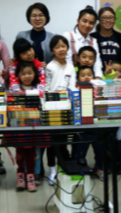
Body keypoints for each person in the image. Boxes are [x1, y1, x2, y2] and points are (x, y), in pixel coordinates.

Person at [44, 34, 75, 185]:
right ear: (52, 51)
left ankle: (63, 168)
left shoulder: (70, 67)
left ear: (68, 48)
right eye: (57, 47)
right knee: (51, 142)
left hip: (66, 108)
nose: (61, 49)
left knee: (63, 141)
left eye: (63, 46)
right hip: (52, 109)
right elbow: (47, 87)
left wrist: (67, 95)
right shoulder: (50, 67)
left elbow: (72, 86)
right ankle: (52, 170)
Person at [12, 61, 45, 192]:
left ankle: (31, 176)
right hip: (20, 127)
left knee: (32, 154)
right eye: (24, 74)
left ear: (35, 74)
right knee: (20, 154)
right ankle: (20, 176)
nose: (27, 76)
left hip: (34, 127)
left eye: (30, 73)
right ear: (18, 75)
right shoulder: (15, 89)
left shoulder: (38, 89)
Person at [73, 66, 105, 180]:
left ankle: (100, 167)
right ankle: (79, 168)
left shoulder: (97, 90)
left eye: (89, 75)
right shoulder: (76, 90)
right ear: (78, 79)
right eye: (83, 75)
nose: (86, 77)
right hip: (82, 125)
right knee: (80, 148)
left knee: (100, 148)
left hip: (96, 125)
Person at [63, 6, 103, 78]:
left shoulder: (93, 41)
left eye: (91, 23)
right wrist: (74, 79)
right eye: (84, 21)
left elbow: (97, 62)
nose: (87, 25)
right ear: (78, 21)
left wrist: (97, 78)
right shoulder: (68, 36)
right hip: (68, 77)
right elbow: (67, 60)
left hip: (87, 79)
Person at [91, 7, 121, 77]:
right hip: (97, 76)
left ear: (114, 19)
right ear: (99, 20)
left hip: (116, 77)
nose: (108, 20)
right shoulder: (92, 38)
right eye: (104, 18)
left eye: (111, 17)